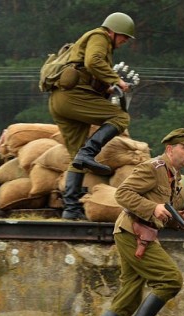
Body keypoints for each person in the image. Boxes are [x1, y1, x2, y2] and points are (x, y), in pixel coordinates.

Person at [81, 128, 184, 316]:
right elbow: (123, 194)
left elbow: (163, 210)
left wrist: (178, 219)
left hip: (143, 234)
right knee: (170, 280)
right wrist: (152, 208)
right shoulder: (152, 168)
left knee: (130, 296)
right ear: (170, 149)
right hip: (131, 232)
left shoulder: (173, 176)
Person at [48, 12, 135, 220]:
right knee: (121, 118)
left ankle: (71, 209)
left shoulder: (98, 41)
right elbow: (93, 61)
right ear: (112, 31)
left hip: (60, 101)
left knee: (75, 157)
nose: (124, 42)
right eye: (123, 36)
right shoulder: (100, 37)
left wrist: (107, 88)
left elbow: (89, 71)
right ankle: (89, 153)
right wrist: (117, 81)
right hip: (73, 97)